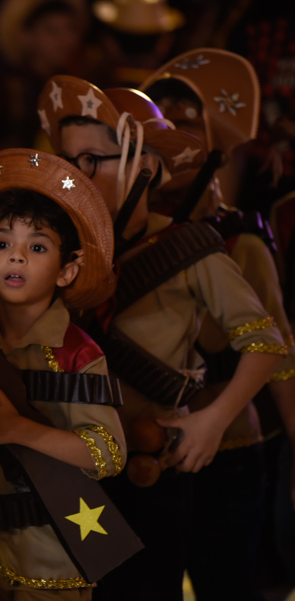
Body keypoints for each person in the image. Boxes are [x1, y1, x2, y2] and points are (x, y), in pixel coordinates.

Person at [37, 75, 286, 601]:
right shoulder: (54, 249)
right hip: (72, 471)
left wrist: (212, 422)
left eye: (93, 160)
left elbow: (264, 342)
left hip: (151, 472)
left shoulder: (190, 249)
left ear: (145, 167)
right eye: (69, 160)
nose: (78, 176)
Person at [0, 148, 126, 600]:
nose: (16, 258)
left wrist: (20, 430)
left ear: (68, 270)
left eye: (37, 247)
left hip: (53, 549)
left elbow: (108, 453)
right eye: (2, 244)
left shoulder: (78, 353)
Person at [141, 48, 295, 601]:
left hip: (227, 449)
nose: (174, 140)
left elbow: (279, 352)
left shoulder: (239, 241)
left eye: (189, 125)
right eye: (162, 127)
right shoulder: (123, 236)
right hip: (145, 453)